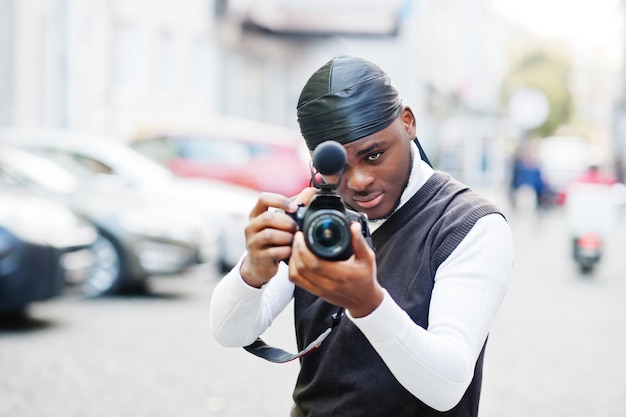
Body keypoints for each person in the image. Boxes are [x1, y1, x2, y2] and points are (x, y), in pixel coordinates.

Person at [210, 56, 513, 416]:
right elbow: (229, 333)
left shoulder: (468, 224)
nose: (359, 182)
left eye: (374, 155)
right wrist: (252, 274)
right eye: (338, 168)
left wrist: (367, 303)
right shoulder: (316, 217)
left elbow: (446, 385)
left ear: (408, 121)